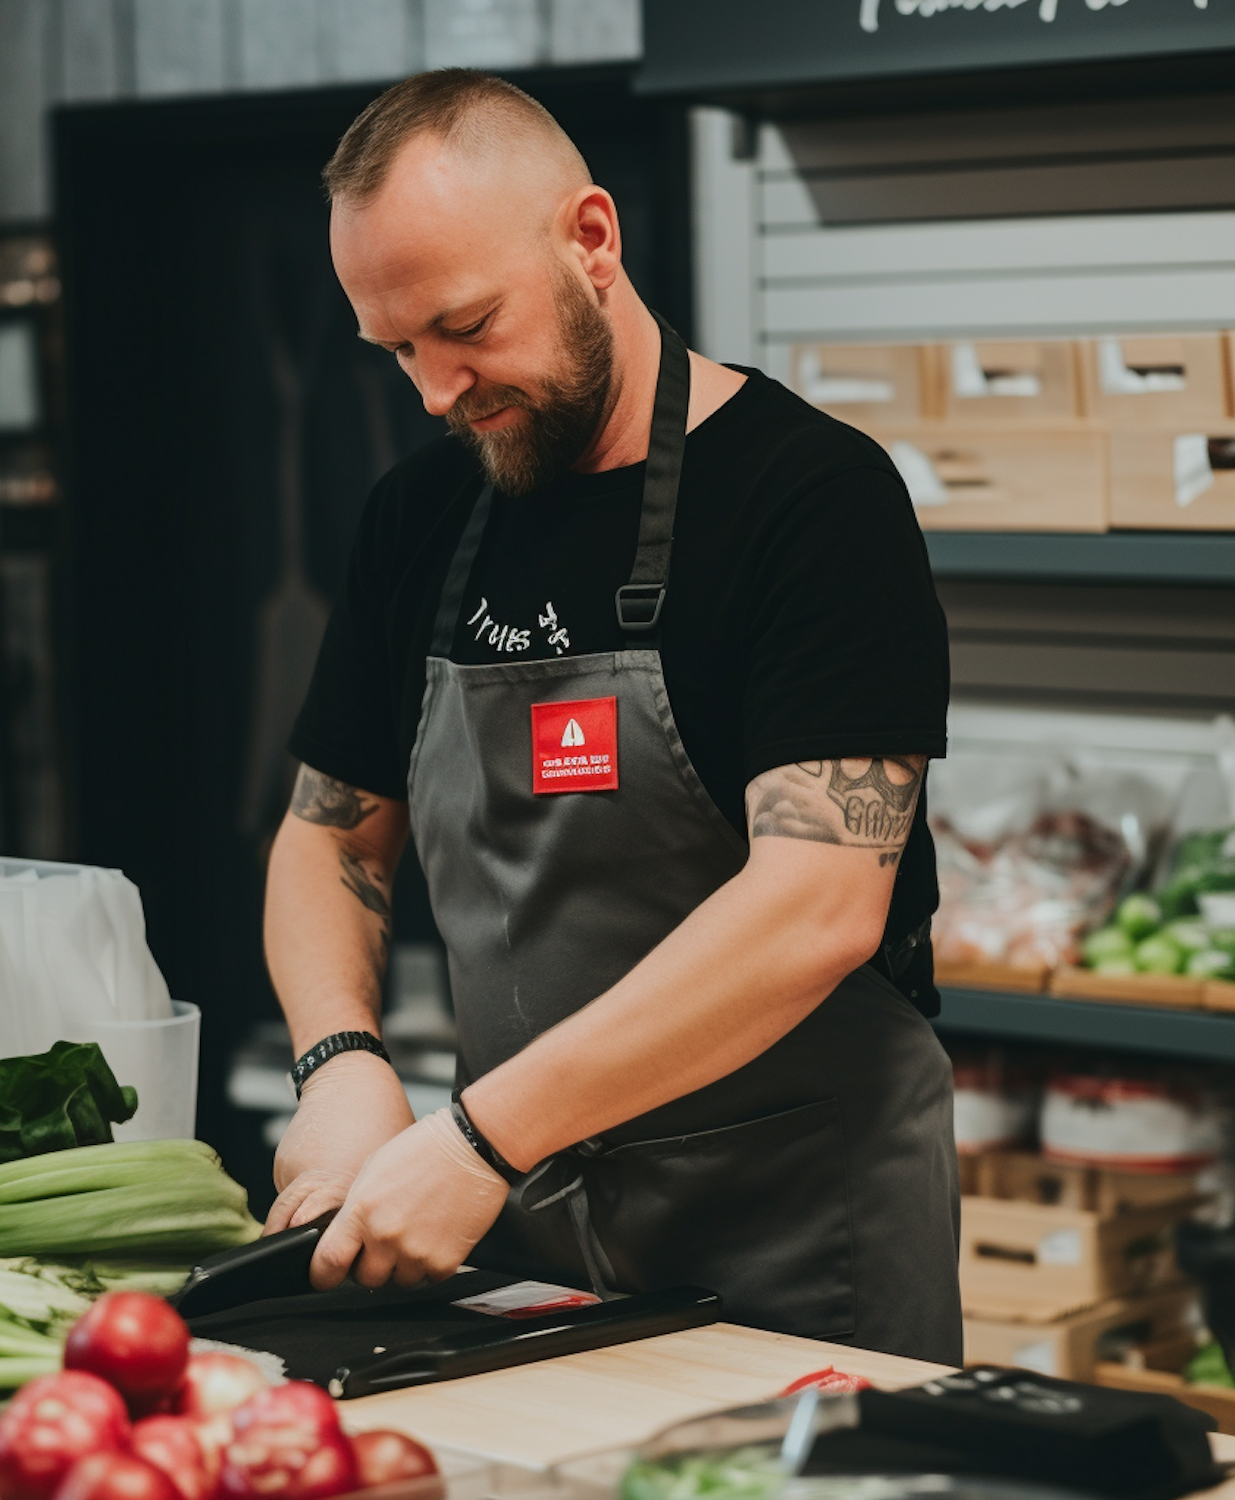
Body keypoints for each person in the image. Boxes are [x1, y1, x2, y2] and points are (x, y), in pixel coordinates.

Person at [262, 68, 961, 1364]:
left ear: (593, 238)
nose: (434, 389)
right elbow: (327, 838)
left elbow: (819, 899)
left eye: (465, 325)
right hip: (524, 1249)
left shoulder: (810, 500)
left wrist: (478, 1135)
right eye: (400, 348)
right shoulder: (417, 519)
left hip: (801, 1249)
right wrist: (343, 1063)